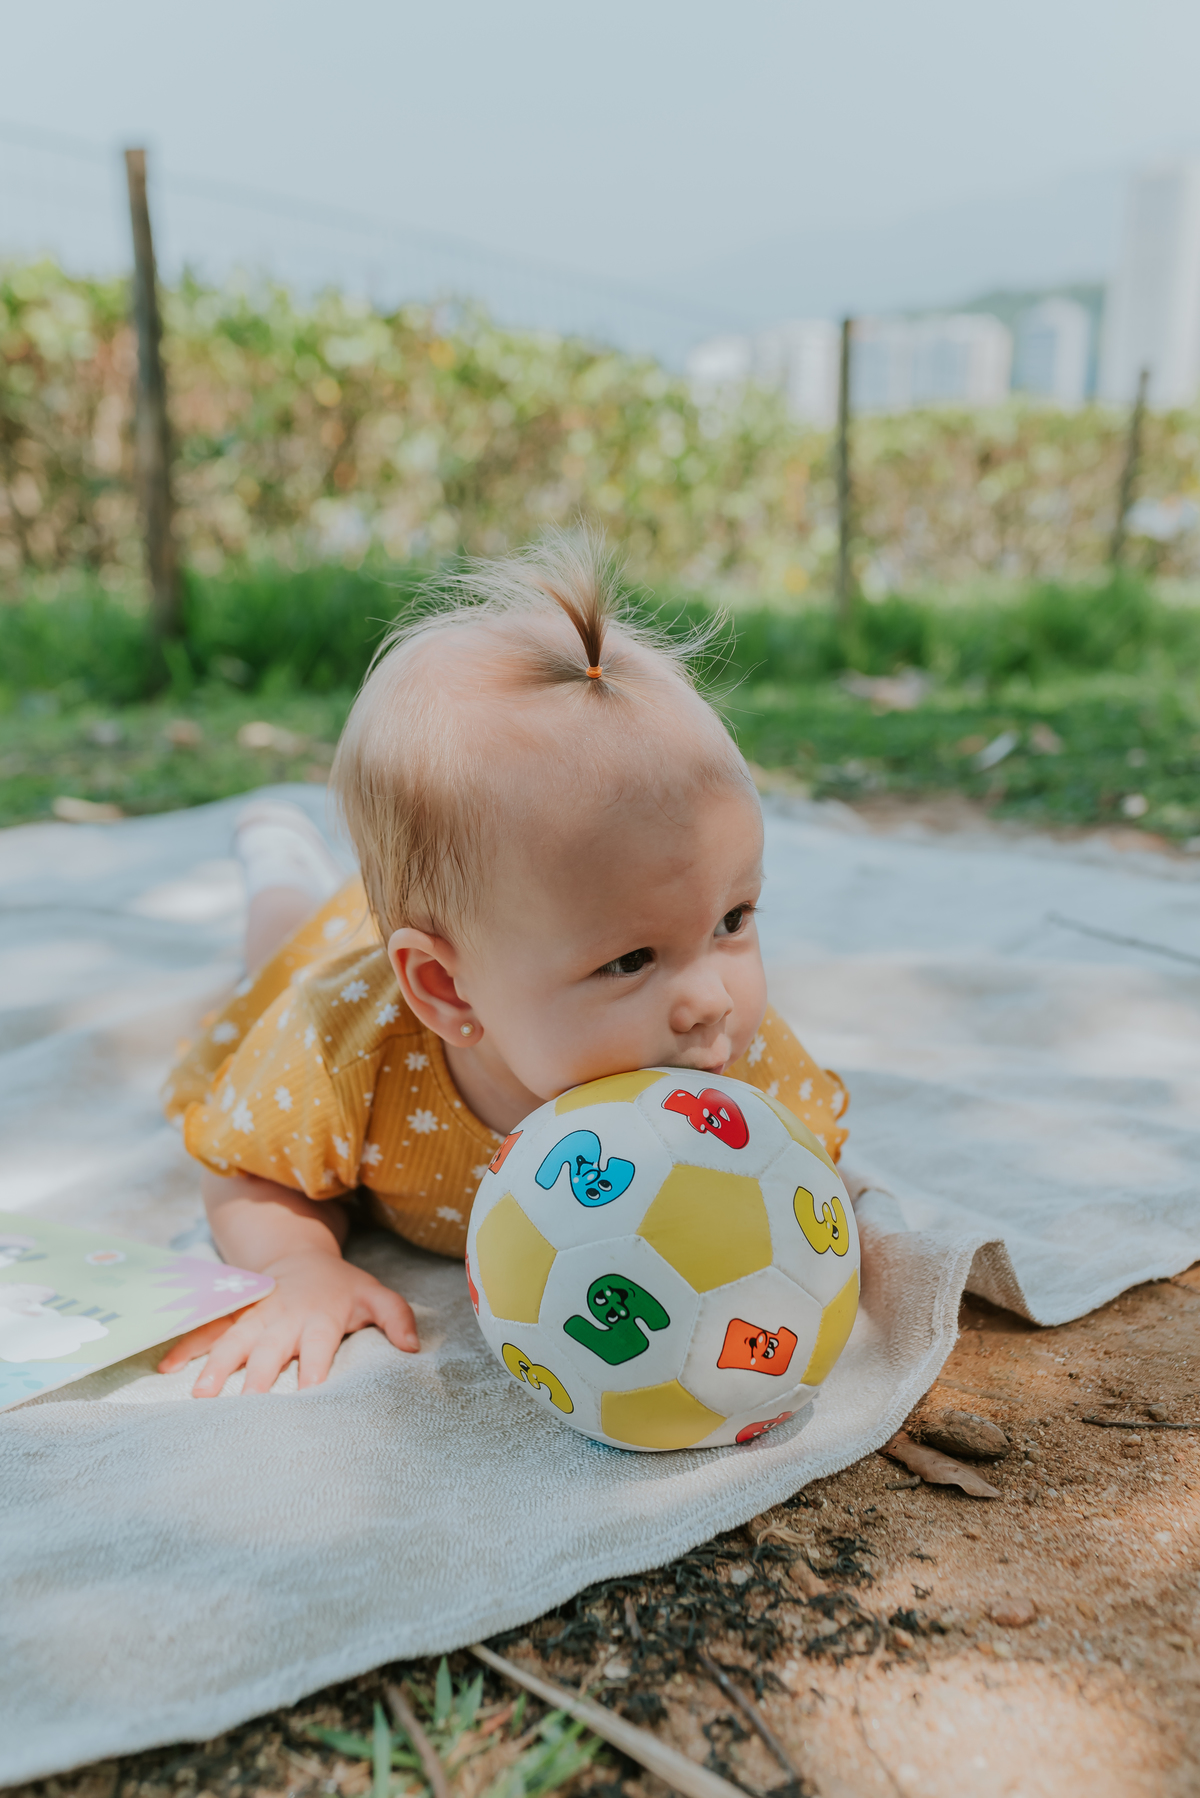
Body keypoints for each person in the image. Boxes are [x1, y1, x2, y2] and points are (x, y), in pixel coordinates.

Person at [159, 534, 848, 1397]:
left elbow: (806, 1172)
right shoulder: (343, 1047)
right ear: (448, 989)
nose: (710, 998)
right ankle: (279, 859)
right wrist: (299, 1267)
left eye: (732, 919)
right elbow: (246, 1170)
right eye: (631, 958)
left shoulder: (726, 1054)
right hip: (334, 957)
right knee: (275, 945)